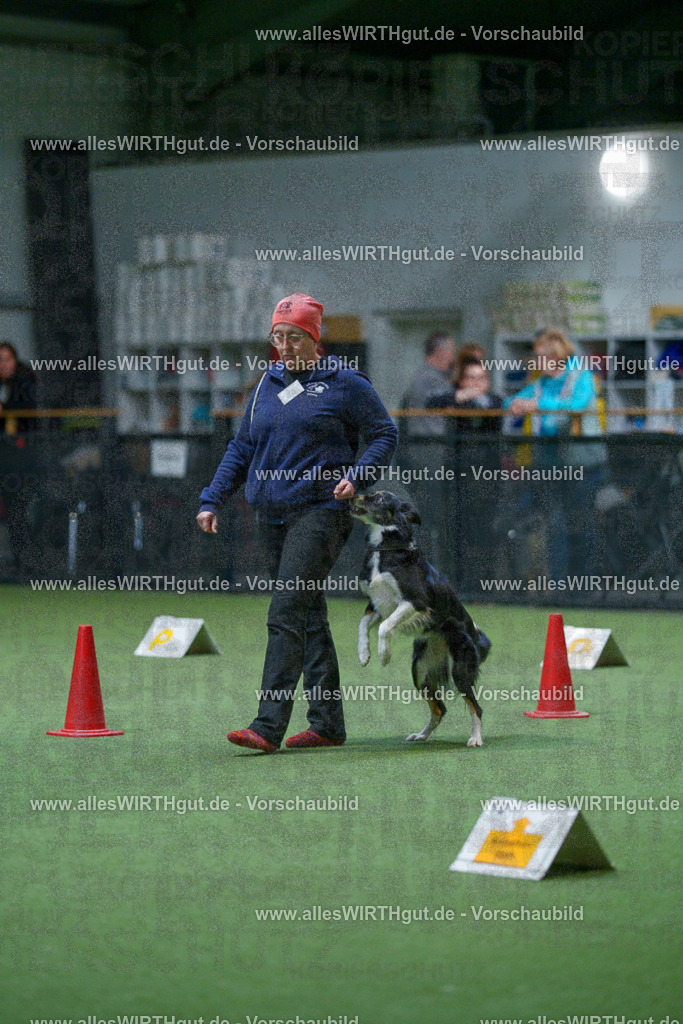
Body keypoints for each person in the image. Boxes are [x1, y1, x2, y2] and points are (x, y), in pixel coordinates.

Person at [197, 293, 398, 753]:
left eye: (294, 337)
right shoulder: (266, 385)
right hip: (271, 513)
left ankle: (267, 725)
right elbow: (241, 449)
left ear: (314, 338)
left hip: (321, 512)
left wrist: (357, 475)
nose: (284, 346)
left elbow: (384, 432)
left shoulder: (345, 383)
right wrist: (213, 500)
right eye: (278, 337)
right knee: (307, 615)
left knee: (285, 611)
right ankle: (328, 724)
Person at [504, 328, 605, 579]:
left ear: (556, 355)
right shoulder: (540, 384)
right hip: (548, 467)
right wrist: (516, 404)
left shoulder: (581, 377)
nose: (535, 362)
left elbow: (578, 406)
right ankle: (560, 588)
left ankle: (584, 585)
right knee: (555, 526)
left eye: (540, 356)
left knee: (582, 524)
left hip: (584, 466)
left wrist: (537, 405)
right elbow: (512, 402)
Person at [0, 343, 38, 577]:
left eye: (6, 359)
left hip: (23, 457)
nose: (3, 365)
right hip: (4, 455)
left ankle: (26, 563)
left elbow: (25, 415)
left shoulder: (26, 380)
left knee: (18, 509)